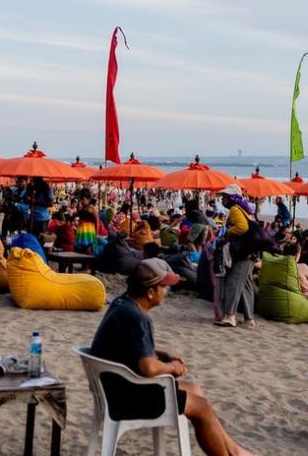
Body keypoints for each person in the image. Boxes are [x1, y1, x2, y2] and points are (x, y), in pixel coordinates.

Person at [90, 259, 255, 456]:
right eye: (164, 288)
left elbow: (128, 346)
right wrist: (173, 368)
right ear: (150, 292)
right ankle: (232, 453)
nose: (166, 292)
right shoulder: (139, 318)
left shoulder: (121, 304)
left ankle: (234, 451)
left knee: (194, 390)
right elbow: (148, 368)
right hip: (128, 398)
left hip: (114, 388)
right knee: (202, 409)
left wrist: (162, 354)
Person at [216, 184, 258, 329]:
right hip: (250, 252)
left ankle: (230, 316)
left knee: (233, 283)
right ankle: (249, 319)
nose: (222, 200)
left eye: (224, 197)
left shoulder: (234, 209)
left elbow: (242, 227)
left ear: (231, 198)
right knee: (245, 284)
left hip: (243, 252)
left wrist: (228, 232)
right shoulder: (246, 210)